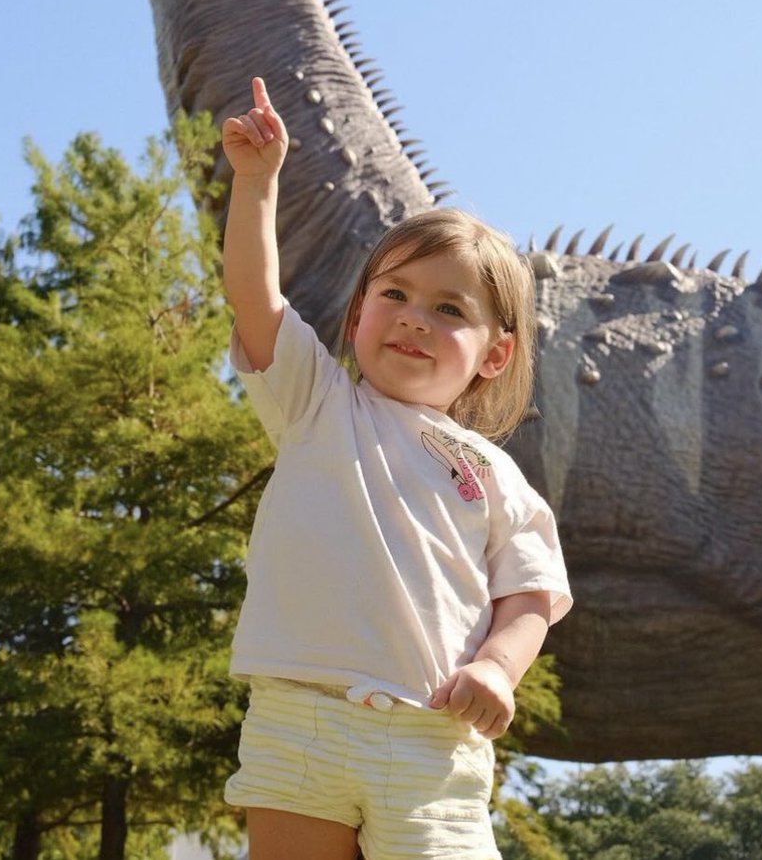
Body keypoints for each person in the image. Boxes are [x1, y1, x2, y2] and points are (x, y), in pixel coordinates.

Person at [221, 76, 572, 860]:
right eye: (396, 294)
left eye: (449, 309)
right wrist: (256, 183)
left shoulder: (497, 476)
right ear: (357, 316)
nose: (415, 317)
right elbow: (254, 296)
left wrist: (498, 669)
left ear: (496, 355)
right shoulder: (316, 402)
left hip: (433, 735)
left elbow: (529, 596)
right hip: (301, 718)